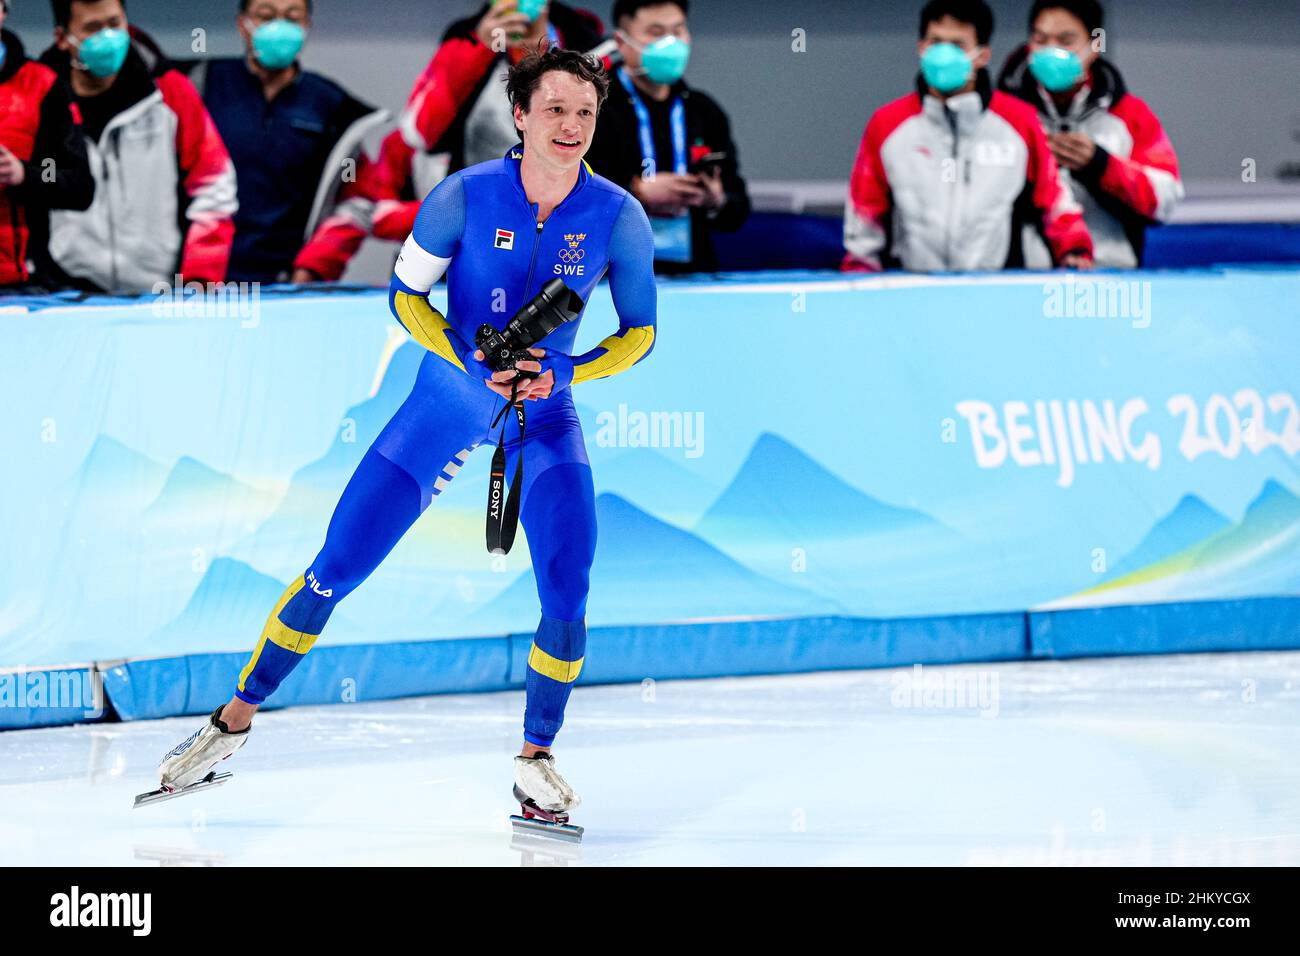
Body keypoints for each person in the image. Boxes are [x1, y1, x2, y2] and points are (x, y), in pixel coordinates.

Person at [155, 47, 657, 829]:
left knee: (569, 581)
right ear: (519, 115)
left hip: (543, 412)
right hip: (448, 402)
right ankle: (230, 723)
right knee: (336, 567)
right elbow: (404, 295)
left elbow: (639, 335)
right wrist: (467, 355)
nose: (571, 127)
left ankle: (535, 763)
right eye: (555, 109)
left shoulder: (619, 215)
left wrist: (569, 374)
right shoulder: (462, 196)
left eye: (585, 113)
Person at [292, 0, 607, 283]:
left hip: (552, 267)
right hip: (450, 273)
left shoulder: (593, 56)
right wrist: (466, 215)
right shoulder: (465, 46)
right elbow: (407, 149)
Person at [842, 0, 1092, 272]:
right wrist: (860, 272)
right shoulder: (887, 123)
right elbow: (865, 216)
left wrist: (1074, 251)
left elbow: (1054, 201)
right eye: (935, 43)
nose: (943, 55)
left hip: (996, 292)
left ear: (983, 55)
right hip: (910, 290)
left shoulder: (1020, 121)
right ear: (921, 48)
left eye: (957, 46)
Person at [179, 0, 388, 284]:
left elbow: (357, 200)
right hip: (198, 279)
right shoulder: (200, 86)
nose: (279, 27)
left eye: (292, 17)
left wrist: (313, 268)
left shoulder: (332, 106)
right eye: (265, 16)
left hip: (286, 286)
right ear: (243, 24)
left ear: (307, 25)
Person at [37, 0, 237, 293]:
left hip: (160, 294)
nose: (108, 38)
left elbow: (214, 188)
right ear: (62, 38)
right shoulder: (36, 103)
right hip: (62, 296)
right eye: (92, 28)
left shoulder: (171, 93)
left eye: (115, 24)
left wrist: (199, 282)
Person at [997, 0, 1182, 268]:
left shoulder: (1130, 115)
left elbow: (1165, 200)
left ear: (1096, 45)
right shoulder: (1004, 116)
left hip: (1111, 276)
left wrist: (1101, 166)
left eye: (1066, 40)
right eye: (1040, 39)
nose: (1051, 50)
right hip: (1024, 279)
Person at [584, 0, 750, 274]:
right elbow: (570, 197)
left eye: (678, 31)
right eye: (655, 32)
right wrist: (636, 193)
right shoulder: (592, 109)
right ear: (621, 42)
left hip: (694, 274)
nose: (670, 43)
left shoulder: (704, 111)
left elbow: (738, 210)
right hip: (610, 275)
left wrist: (716, 200)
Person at [0, 0, 94, 290]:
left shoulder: (42, 86)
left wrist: (24, 174)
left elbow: (77, 185)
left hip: (23, 286)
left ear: (3, 10)